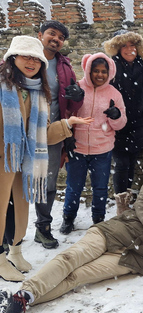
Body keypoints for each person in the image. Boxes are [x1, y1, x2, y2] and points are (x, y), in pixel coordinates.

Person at [0, 162, 143, 312]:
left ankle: (20, 301)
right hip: (113, 233)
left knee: (77, 277)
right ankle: (25, 294)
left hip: (135, 257)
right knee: (70, 259)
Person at [0, 36, 91, 282]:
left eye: (36, 59)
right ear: (13, 57)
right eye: (25, 56)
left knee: (17, 210)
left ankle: (15, 250)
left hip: (23, 162)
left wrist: (67, 124)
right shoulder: (1, 87)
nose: (31, 62)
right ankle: (0, 258)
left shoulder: (38, 92)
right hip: (2, 160)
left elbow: (44, 134)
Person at [60, 53, 127, 235]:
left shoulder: (114, 94)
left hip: (102, 150)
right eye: (95, 70)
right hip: (78, 147)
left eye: (103, 71)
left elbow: (121, 124)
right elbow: (65, 114)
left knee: (100, 187)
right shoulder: (78, 88)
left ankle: (98, 219)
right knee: (74, 187)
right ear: (88, 70)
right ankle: (68, 217)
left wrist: (116, 116)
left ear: (109, 72)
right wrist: (68, 134)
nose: (99, 75)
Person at [34, 20, 85, 249]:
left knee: (48, 181)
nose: (55, 39)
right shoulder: (25, 59)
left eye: (60, 37)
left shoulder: (64, 65)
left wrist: (77, 94)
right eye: (51, 34)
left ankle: (43, 228)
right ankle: (8, 235)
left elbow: (74, 103)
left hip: (53, 132)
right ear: (40, 35)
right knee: (14, 182)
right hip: (25, 129)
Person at [104, 30, 143, 215]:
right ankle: (121, 206)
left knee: (131, 163)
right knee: (122, 164)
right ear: (117, 48)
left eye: (133, 45)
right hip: (117, 122)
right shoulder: (111, 67)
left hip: (138, 121)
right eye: (124, 45)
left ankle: (127, 200)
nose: (129, 49)